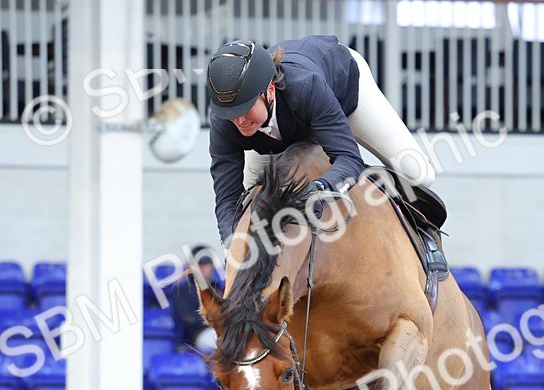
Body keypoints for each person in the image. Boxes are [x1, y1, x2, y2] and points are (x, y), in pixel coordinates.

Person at [206, 34, 448, 276]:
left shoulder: (306, 86)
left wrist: (322, 187)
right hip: (281, 133)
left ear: (269, 91)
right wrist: (233, 245)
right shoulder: (225, 120)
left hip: (343, 93)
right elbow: (228, 199)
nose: (238, 121)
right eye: (230, 112)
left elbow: (349, 158)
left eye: (245, 109)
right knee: (250, 205)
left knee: (418, 174)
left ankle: (423, 241)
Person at [170, 244, 224, 353]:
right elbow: (188, 318)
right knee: (223, 342)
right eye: (199, 265)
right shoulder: (182, 290)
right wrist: (216, 320)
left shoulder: (218, 289)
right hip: (198, 335)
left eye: (206, 265)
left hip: (221, 331)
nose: (203, 268)